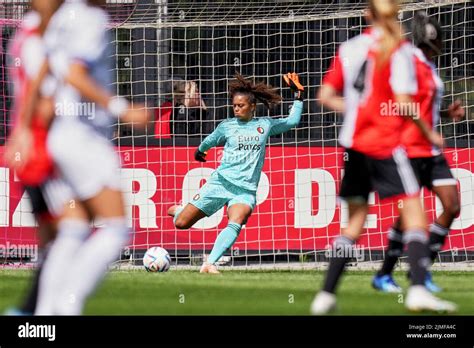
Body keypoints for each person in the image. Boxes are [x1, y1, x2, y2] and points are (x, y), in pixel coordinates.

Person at [311, 0, 457, 314]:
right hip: (387, 144)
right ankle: (417, 288)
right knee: (414, 213)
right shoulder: (399, 49)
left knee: (354, 224)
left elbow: (324, 96)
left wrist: (357, 110)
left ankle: (325, 296)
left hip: (352, 143)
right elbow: (405, 103)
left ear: (367, 13)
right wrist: (429, 132)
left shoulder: (349, 47)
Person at [8, 0, 149, 315]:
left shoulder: (58, 19)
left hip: (60, 135)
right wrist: (121, 108)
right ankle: (68, 305)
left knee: (72, 230)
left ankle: (43, 318)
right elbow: (74, 74)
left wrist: (24, 127)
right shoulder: (89, 18)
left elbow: (45, 75)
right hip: (85, 139)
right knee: (115, 230)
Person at [167, 72, 304, 273]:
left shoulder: (264, 125)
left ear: (252, 107)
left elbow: (292, 122)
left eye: (241, 105)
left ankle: (209, 263)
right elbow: (210, 140)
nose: (237, 109)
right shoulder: (227, 126)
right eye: (234, 106)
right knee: (181, 223)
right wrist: (201, 151)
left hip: (245, 190)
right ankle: (180, 210)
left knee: (237, 220)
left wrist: (298, 96)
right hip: (221, 182)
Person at [372, 12, 465, 293]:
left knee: (452, 206)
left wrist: (445, 115)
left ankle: (419, 274)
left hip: (430, 150)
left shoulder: (429, 65)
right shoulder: (409, 61)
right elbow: (402, 103)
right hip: (410, 148)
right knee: (409, 215)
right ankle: (385, 274)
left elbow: (424, 107)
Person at [4, 0, 63, 315]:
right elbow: (41, 99)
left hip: (32, 148)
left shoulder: (25, 34)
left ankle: (32, 313)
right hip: (39, 151)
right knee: (69, 234)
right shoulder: (38, 39)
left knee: (56, 237)